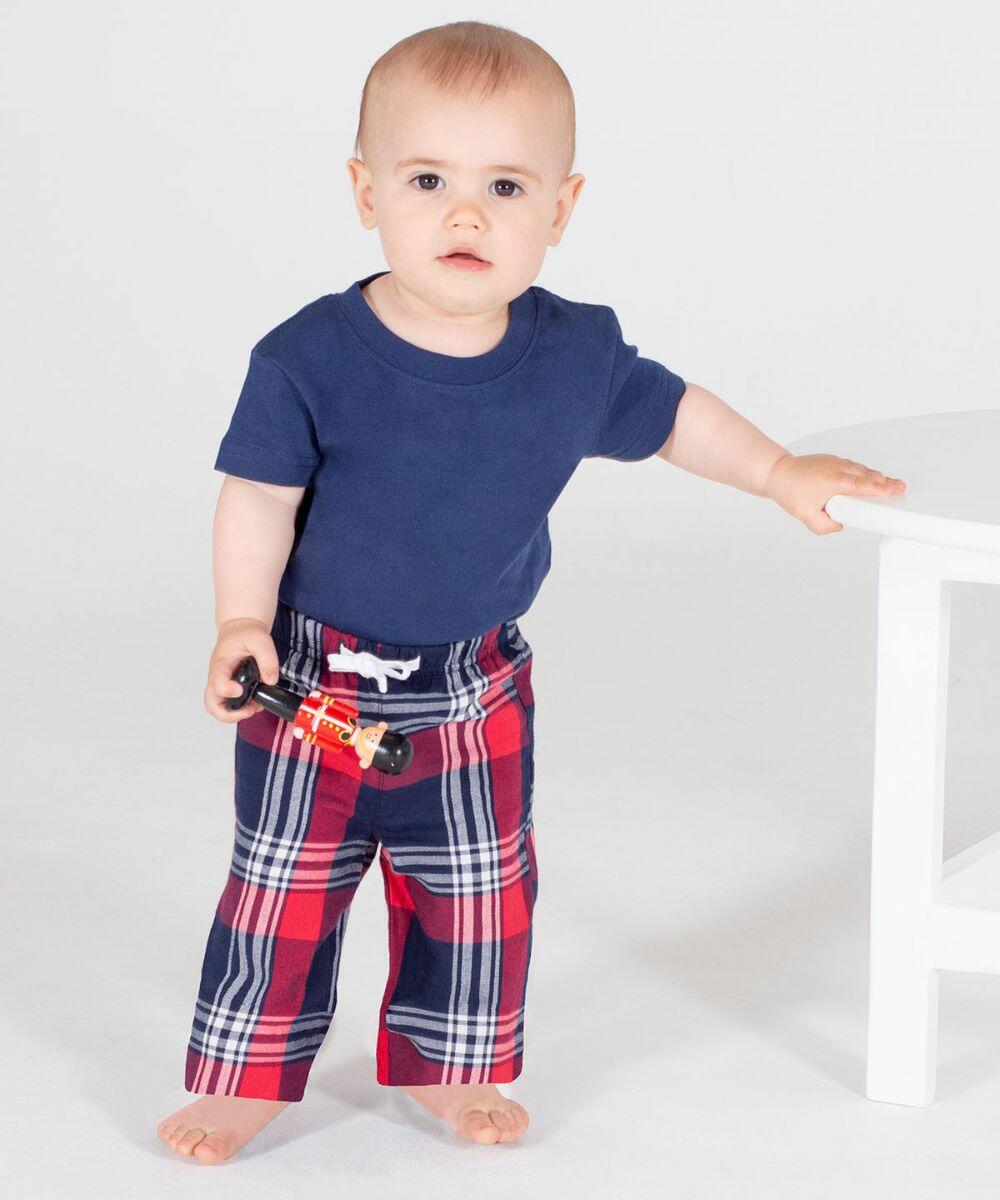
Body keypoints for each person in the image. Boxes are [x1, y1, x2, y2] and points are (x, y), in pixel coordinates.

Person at [156, 19, 905, 1165]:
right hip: (313, 680)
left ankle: (453, 1067)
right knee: (282, 891)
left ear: (559, 210)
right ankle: (247, 1078)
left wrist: (775, 470)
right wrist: (239, 621)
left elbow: (678, 418)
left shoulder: (572, 356)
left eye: (505, 186)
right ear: (365, 193)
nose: (466, 215)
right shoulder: (309, 357)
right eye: (427, 180)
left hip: (471, 688)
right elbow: (255, 496)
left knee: (478, 894)